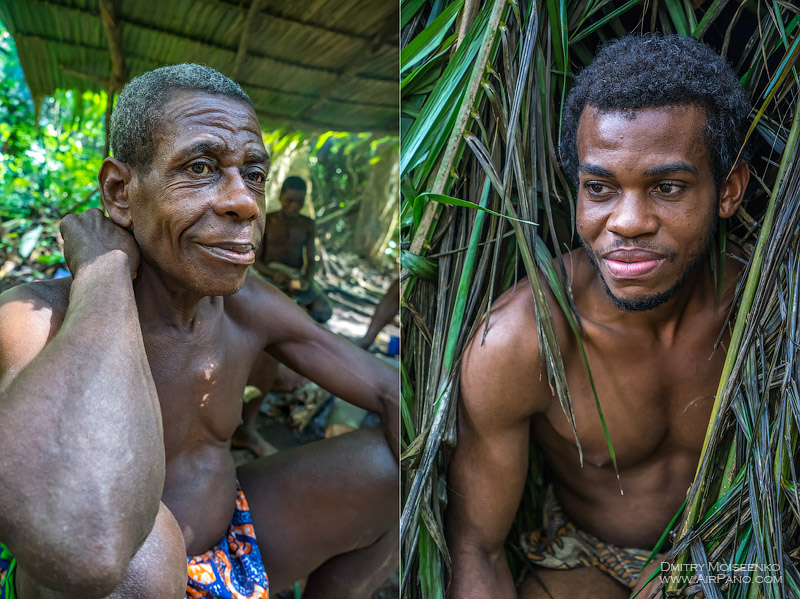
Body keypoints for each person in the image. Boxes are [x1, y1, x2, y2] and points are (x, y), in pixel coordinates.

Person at [0, 64, 398, 599]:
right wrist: (104, 274)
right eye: (202, 166)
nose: (247, 202)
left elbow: (392, 391)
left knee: (389, 470)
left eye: (253, 173)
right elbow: (86, 545)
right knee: (141, 565)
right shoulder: (35, 318)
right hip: (110, 581)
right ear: (120, 192)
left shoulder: (247, 305)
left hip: (232, 551)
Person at [445, 34, 751, 599]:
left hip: (740, 559)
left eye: (667, 187)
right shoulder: (521, 342)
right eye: (601, 188)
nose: (628, 221)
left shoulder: (765, 314)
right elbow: (478, 549)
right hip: (587, 560)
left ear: (728, 191)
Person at [253, 177, 333, 324]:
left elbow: (310, 261)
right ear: (280, 197)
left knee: (324, 311)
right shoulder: (267, 220)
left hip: (294, 277)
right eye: (289, 200)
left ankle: (293, 317)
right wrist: (274, 274)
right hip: (268, 274)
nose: (294, 206)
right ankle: (292, 317)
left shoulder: (307, 224)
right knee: (257, 304)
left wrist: (306, 282)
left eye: (299, 202)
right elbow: (256, 261)